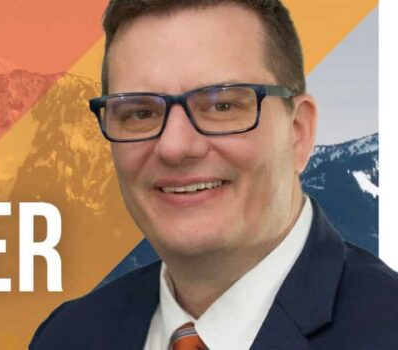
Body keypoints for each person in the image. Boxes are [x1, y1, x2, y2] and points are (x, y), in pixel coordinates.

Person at [29, 0, 398, 349]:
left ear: (298, 131)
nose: (174, 146)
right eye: (140, 113)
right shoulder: (67, 335)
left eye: (222, 105)